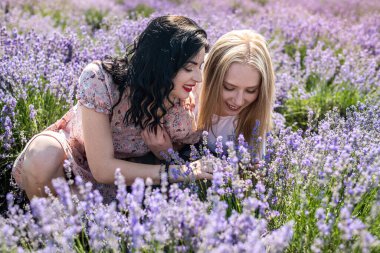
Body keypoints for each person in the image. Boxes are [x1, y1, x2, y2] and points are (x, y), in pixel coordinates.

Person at [11, 15, 212, 203]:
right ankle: (47, 229)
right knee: (43, 154)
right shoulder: (101, 79)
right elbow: (103, 168)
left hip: (119, 181)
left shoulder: (183, 104)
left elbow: (189, 150)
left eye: (199, 66)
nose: (198, 78)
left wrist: (165, 152)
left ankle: (62, 231)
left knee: (73, 215)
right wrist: (181, 172)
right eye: (188, 68)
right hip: (74, 155)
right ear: (161, 64)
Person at [196, 30, 275, 158]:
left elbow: (255, 166)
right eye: (229, 87)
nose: (238, 101)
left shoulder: (256, 110)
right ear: (211, 79)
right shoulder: (189, 96)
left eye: (251, 90)